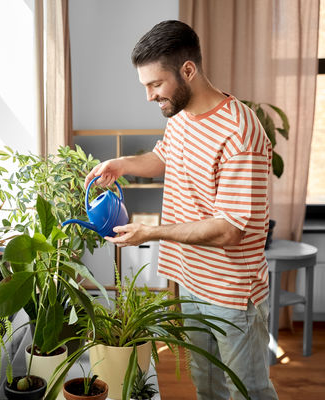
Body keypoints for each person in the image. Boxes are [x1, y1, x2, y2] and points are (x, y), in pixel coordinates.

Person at [84, 20, 278, 400]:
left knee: (249, 392)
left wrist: (151, 232)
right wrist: (121, 163)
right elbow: (164, 157)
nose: (149, 96)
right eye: (145, 86)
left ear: (188, 70)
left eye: (155, 84)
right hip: (191, 282)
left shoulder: (241, 132)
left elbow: (229, 229)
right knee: (206, 386)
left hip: (232, 293)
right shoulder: (182, 116)